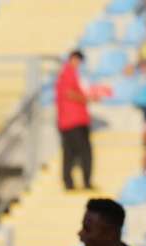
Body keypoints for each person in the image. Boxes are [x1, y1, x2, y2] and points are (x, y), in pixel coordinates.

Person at [56, 50, 94, 191]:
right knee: (83, 152)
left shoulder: (67, 74)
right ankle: (84, 181)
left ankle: (69, 182)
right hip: (74, 120)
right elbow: (69, 93)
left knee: (69, 153)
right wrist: (85, 98)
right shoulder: (69, 73)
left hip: (69, 120)